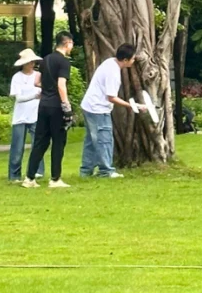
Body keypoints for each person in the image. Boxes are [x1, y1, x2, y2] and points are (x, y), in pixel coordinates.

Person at [79, 43, 140, 179]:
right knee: (104, 139)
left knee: (91, 140)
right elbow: (111, 97)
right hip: (98, 109)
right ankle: (106, 171)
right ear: (125, 60)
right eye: (133, 58)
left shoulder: (109, 62)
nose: (134, 60)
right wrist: (131, 105)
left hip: (89, 106)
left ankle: (86, 171)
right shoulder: (113, 72)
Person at [24, 31, 75, 188]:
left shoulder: (45, 59)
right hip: (56, 106)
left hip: (43, 105)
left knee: (40, 141)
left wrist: (47, 88)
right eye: (71, 44)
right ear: (67, 44)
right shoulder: (64, 62)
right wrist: (66, 106)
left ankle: (29, 178)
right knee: (58, 141)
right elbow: (61, 85)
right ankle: (55, 178)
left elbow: (36, 82)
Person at [8, 49, 44, 182]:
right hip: (20, 116)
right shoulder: (17, 77)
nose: (32, 64)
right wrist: (34, 96)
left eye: (33, 62)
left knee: (38, 144)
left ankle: (38, 171)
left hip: (36, 115)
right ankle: (14, 175)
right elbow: (19, 98)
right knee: (17, 148)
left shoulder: (39, 75)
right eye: (29, 62)